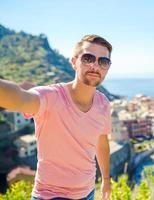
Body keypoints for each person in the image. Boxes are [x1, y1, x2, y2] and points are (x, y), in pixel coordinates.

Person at [0, 34, 113, 200]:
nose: (95, 66)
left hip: (87, 192)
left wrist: (106, 179)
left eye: (103, 61)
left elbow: (101, 142)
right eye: (88, 58)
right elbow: (19, 98)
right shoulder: (51, 96)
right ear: (74, 62)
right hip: (51, 196)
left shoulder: (103, 104)